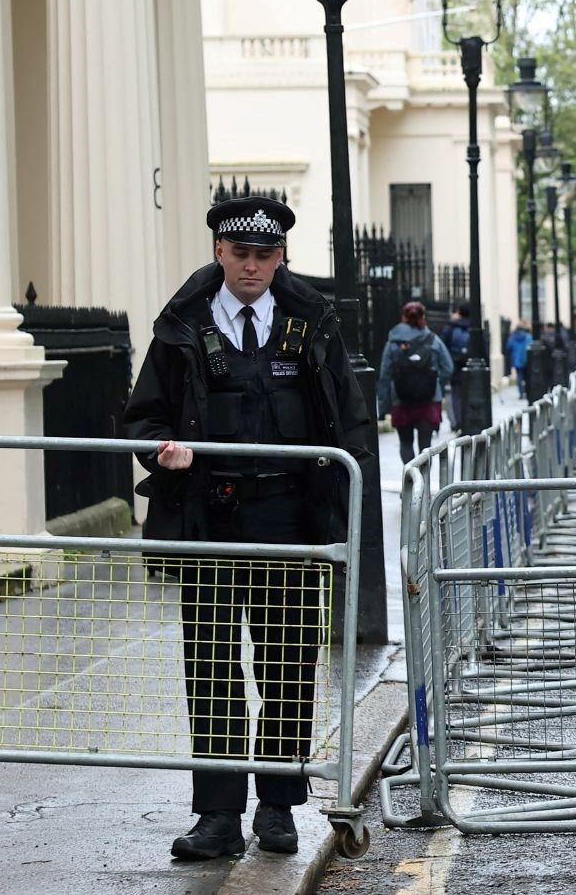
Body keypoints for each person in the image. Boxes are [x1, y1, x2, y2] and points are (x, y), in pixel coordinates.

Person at [123, 195, 372, 860]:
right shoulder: (183, 325)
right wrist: (162, 448)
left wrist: (351, 513)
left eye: (265, 254)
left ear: (281, 256)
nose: (252, 265)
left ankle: (278, 806)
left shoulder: (311, 322)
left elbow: (350, 420)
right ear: (219, 252)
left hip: (291, 519)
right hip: (210, 515)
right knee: (211, 670)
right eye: (241, 253)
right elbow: (142, 417)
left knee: (288, 665)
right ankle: (217, 816)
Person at [377, 301, 454, 464]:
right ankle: (423, 485)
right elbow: (448, 367)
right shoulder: (433, 340)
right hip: (429, 400)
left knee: (405, 443)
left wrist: (383, 408)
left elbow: (384, 375)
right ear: (423, 316)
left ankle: (411, 483)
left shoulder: (393, 342)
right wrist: (437, 387)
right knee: (425, 446)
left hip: (400, 399)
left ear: (403, 317)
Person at [440, 303, 472, 430]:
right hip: (471, 365)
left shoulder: (450, 327)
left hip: (455, 365)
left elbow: (443, 347)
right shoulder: (474, 326)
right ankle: (469, 419)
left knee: (456, 395)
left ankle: (459, 422)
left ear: (458, 312)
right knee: (469, 393)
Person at [507, 322, 533, 399]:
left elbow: (508, 346)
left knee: (519, 377)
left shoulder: (512, 337)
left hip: (516, 360)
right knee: (527, 377)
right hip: (526, 359)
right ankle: (527, 391)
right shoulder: (528, 337)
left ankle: (521, 393)